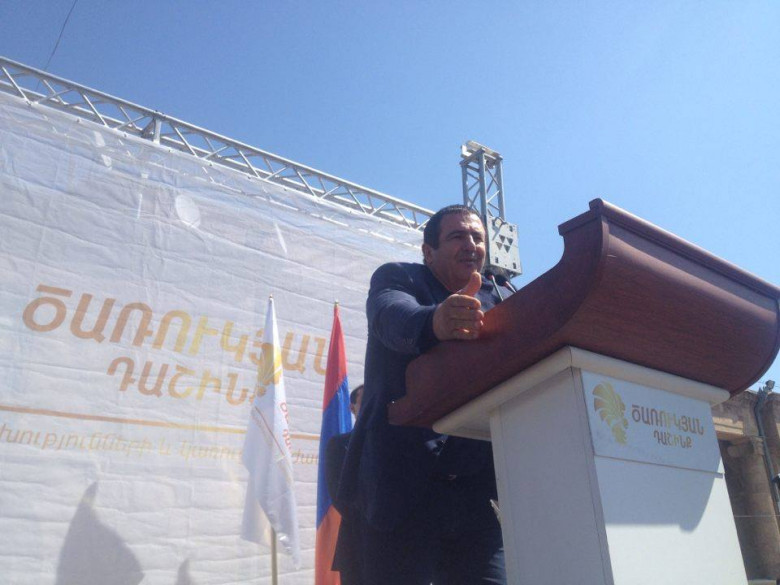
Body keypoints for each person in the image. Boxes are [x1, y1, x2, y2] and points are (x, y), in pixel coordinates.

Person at [338, 204, 508, 585]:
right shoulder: (398, 277)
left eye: (477, 237)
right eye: (457, 236)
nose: (471, 245)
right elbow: (391, 316)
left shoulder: (499, 295)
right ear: (428, 252)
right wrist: (435, 321)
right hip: (402, 490)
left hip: (474, 494)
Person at [324, 385, 364, 585]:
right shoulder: (339, 445)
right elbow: (339, 495)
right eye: (364, 400)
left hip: (396, 547)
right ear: (352, 408)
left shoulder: (395, 445)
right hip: (356, 543)